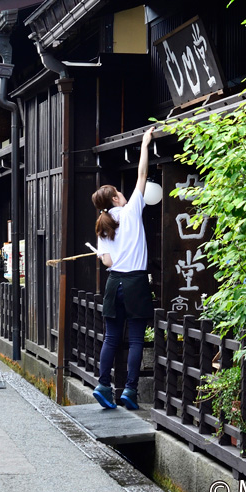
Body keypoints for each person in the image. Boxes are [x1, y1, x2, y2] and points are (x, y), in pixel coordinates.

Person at [91, 126, 155, 410]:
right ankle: (129, 391)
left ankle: (103, 385)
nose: (123, 194)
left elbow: (107, 262)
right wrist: (144, 142)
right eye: (119, 192)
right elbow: (142, 174)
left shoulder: (102, 227)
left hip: (113, 283)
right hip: (136, 283)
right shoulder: (131, 211)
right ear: (116, 198)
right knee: (136, 339)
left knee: (112, 337)